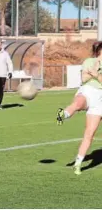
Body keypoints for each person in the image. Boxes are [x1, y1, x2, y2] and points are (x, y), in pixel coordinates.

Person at [57, 41, 102, 175]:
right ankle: (62, 114)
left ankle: (77, 164)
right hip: (88, 90)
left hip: (100, 99)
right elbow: (83, 79)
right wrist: (95, 74)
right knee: (78, 103)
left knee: (89, 134)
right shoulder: (89, 61)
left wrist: (94, 74)